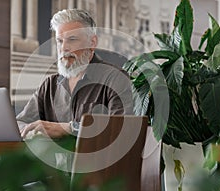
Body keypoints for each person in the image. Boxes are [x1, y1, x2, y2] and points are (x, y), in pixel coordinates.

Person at [16, 9, 133, 139]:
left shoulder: (116, 79)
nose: (64, 48)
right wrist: (31, 132)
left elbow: (124, 129)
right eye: (59, 41)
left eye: (72, 39)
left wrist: (69, 128)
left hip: (97, 159)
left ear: (92, 43)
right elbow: (20, 122)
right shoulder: (49, 85)